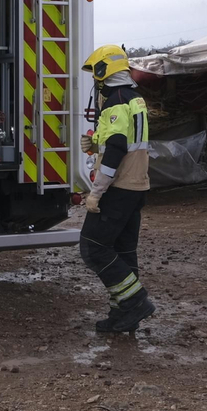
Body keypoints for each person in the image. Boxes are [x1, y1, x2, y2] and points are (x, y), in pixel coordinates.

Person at [78, 44, 155, 334]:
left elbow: (117, 149)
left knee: (93, 247)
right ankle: (124, 314)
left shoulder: (115, 102)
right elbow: (127, 140)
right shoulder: (135, 98)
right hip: (137, 186)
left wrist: (96, 192)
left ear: (102, 73)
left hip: (119, 187)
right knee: (123, 251)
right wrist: (96, 143)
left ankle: (134, 302)